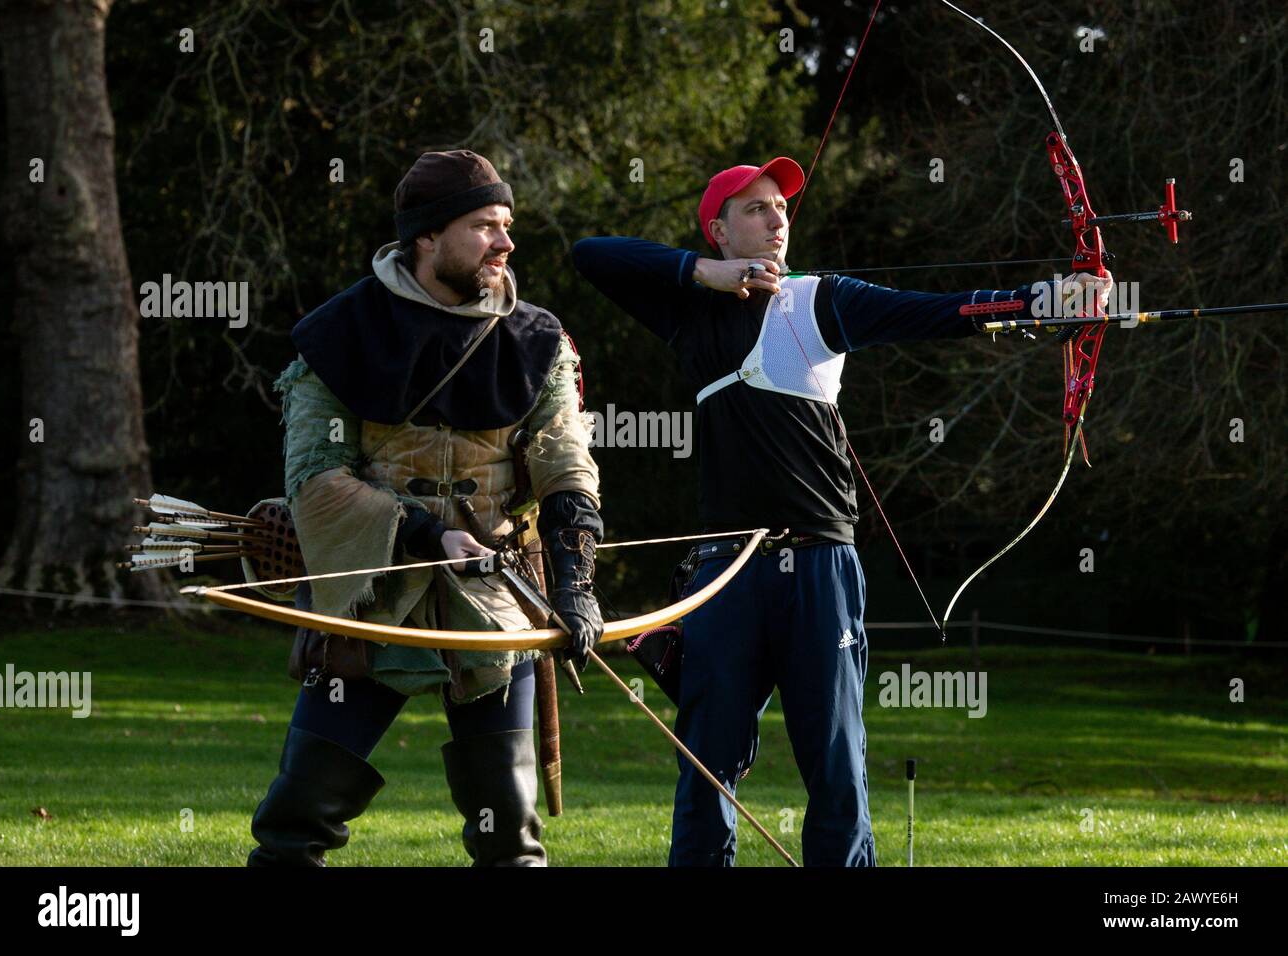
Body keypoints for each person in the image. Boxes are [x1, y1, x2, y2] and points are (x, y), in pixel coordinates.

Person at [572, 157, 1110, 866]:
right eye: (757, 209)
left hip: (819, 562)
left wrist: (1045, 300)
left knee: (835, 766)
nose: (776, 220)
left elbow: (941, 311)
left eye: (782, 210)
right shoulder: (687, 310)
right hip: (723, 570)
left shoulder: (820, 299)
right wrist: (706, 274)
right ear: (719, 230)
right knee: (705, 764)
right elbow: (590, 256)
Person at [247, 149, 603, 867]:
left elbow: (565, 461)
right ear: (427, 238)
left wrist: (574, 583)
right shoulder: (339, 334)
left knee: (509, 833)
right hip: (369, 599)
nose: (505, 243)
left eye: (506, 225)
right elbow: (315, 477)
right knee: (298, 819)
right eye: (484, 226)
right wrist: (427, 534)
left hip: (497, 602)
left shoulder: (536, 340)